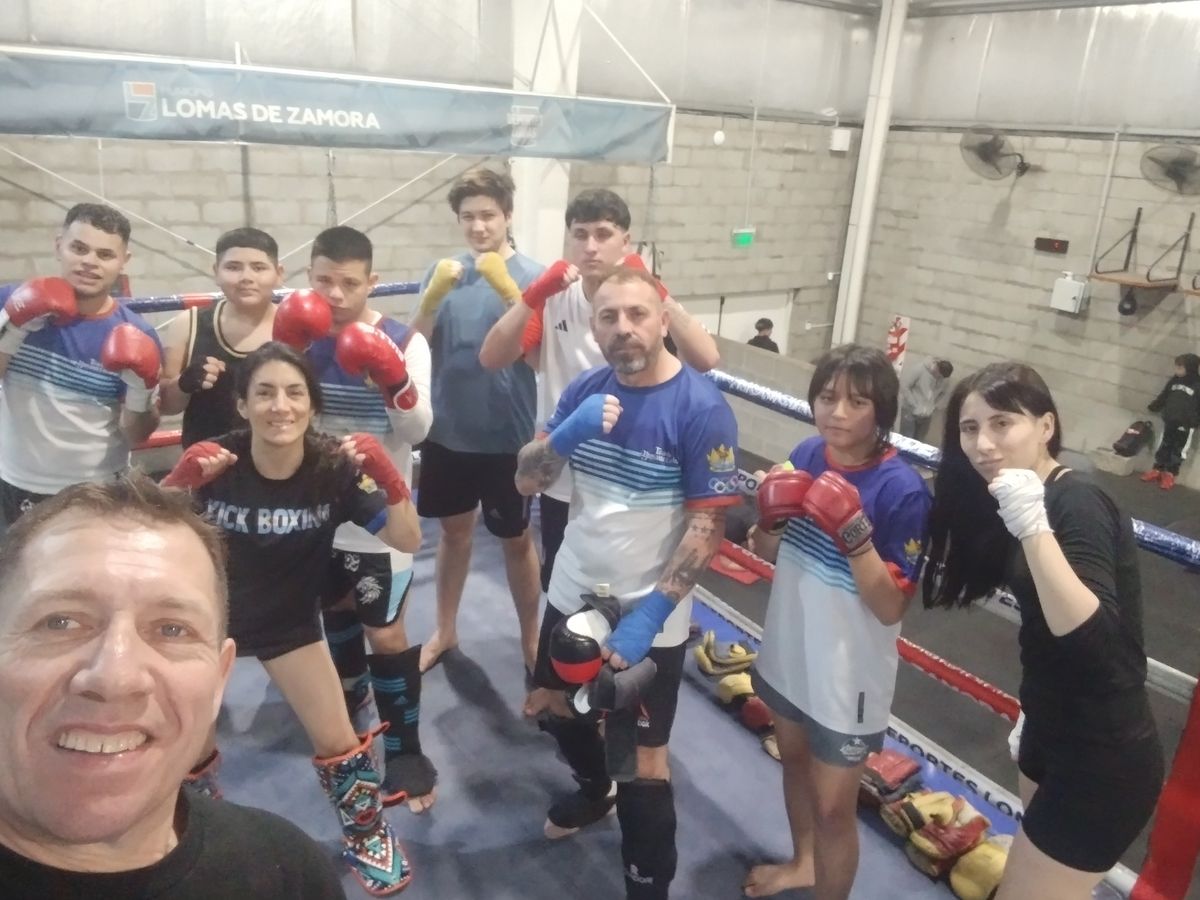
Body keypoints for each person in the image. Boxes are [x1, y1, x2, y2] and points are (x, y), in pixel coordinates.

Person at [0, 473, 346, 898]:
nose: (116, 677)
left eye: (172, 630)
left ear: (220, 679)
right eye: (61, 622)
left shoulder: (288, 873)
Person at [162, 342, 421, 896]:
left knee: (339, 741)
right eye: (265, 393)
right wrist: (177, 485)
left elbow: (408, 538)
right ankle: (199, 835)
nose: (280, 406)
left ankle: (369, 834)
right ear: (242, 405)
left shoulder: (333, 469)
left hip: (290, 627)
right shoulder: (219, 461)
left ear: (311, 405)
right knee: (191, 751)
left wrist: (391, 479)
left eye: (294, 392)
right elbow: (145, 538)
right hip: (211, 624)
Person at [517, 265, 740, 899]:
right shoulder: (585, 389)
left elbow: (708, 526)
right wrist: (564, 434)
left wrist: (649, 619)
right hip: (571, 589)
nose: (625, 329)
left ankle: (648, 889)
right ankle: (594, 793)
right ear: (594, 326)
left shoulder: (701, 408)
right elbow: (527, 481)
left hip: (650, 614)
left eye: (638, 315)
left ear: (663, 321)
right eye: (610, 317)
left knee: (644, 763)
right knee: (552, 709)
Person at [924, 362, 1163, 900]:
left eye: (1002, 423)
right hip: (1048, 725)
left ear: (1046, 426)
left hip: (1101, 755)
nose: (983, 443)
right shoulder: (1013, 492)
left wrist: (1034, 527)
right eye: (969, 428)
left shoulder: (1074, 502)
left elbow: (1105, 652)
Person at [743, 344, 931, 900]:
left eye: (856, 401)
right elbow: (765, 549)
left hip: (848, 677)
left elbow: (890, 606)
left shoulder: (904, 491)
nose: (838, 413)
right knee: (794, 764)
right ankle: (804, 863)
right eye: (827, 397)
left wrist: (852, 532)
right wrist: (767, 517)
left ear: (882, 413)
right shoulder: (807, 451)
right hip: (788, 647)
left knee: (833, 806)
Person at [479, 188, 720, 591]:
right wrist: (534, 294)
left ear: (625, 242)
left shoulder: (644, 304)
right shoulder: (556, 298)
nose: (590, 246)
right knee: (562, 581)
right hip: (563, 470)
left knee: (638, 584)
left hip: (637, 473)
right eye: (580, 234)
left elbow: (706, 358)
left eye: (604, 234)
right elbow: (491, 357)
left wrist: (654, 289)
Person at [276, 225, 437, 814]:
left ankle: (405, 748)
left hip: (378, 508)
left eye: (349, 282)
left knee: (387, 629)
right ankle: (351, 695)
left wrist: (390, 379)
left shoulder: (403, 340)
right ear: (308, 278)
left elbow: (420, 433)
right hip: (314, 503)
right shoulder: (296, 337)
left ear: (371, 281)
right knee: (333, 608)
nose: (336, 293)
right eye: (324, 280)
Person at [409, 167, 544, 673]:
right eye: (468, 217)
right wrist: (432, 298)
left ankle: (532, 638)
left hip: (510, 431)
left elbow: (543, 355)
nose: (478, 226)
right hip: (450, 429)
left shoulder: (533, 276)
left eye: (488, 215)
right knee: (454, 533)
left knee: (516, 538)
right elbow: (414, 343)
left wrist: (512, 292)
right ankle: (444, 628)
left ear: (508, 215)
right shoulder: (442, 270)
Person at [0, 203, 161, 522]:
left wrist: (139, 393)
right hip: (17, 480)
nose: (89, 262)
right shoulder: (10, 300)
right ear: (59, 245)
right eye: (79, 248)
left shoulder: (137, 333)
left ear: (123, 262)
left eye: (105, 254)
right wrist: (12, 328)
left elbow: (137, 435)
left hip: (98, 488)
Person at [160, 227, 283, 448]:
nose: (246, 277)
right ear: (217, 272)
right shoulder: (188, 324)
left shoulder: (295, 327)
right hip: (208, 466)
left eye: (259, 268)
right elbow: (167, 405)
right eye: (233, 267)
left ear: (278, 274)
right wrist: (184, 383)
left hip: (279, 463)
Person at [1141, 352, 1200, 490]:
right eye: (1177, 367)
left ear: (1190, 368)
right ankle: (1157, 469)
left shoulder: (1197, 385)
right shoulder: (1174, 381)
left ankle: (1170, 474)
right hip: (1170, 420)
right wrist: (1155, 405)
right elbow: (1165, 395)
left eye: (1180, 368)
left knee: (1179, 450)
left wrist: (1195, 421)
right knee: (1164, 445)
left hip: (1186, 424)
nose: (1177, 371)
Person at [898, 356, 954, 442]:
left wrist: (934, 405)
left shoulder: (944, 379)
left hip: (927, 415)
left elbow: (943, 393)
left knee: (920, 441)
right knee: (906, 439)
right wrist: (914, 403)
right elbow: (905, 386)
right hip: (910, 410)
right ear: (936, 367)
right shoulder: (919, 369)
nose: (939, 377)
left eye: (941, 377)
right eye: (938, 374)